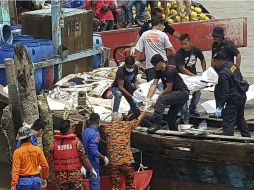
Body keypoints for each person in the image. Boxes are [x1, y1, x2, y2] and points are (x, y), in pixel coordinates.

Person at [145, 54, 190, 133]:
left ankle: (157, 123)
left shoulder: (170, 71)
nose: (154, 67)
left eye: (155, 65)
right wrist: (148, 98)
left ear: (160, 62)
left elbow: (169, 89)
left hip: (182, 93)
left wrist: (158, 97)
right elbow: (154, 84)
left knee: (161, 99)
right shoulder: (158, 71)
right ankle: (175, 133)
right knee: (170, 118)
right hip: (175, 94)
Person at [104, 111, 147, 190]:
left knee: (116, 187)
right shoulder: (126, 125)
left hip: (113, 162)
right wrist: (144, 112)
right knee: (130, 185)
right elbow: (138, 120)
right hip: (126, 161)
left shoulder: (107, 128)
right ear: (121, 118)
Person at [48, 120, 97, 190]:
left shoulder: (53, 143)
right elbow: (84, 157)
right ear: (68, 129)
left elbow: (50, 159)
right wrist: (91, 169)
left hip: (61, 176)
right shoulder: (76, 141)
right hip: (75, 176)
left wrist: (48, 172)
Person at [212, 52, 251, 137]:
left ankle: (228, 142)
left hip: (233, 99)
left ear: (220, 60)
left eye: (215, 61)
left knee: (228, 122)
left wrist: (220, 106)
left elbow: (225, 92)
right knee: (240, 119)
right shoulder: (232, 65)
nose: (214, 63)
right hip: (241, 95)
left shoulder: (223, 74)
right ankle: (247, 137)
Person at [175, 33, 206, 123]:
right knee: (184, 96)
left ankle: (192, 109)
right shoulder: (179, 54)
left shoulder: (196, 50)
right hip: (182, 77)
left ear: (190, 42)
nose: (184, 46)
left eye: (185, 43)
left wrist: (204, 72)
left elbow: (202, 59)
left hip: (193, 75)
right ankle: (184, 117)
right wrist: (194, 76)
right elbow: (182, 68)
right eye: (182, 44)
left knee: (197, 93)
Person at [11, 124, 49, 190]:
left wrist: (13, 185)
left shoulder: (17, 152)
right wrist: (43, 178)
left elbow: (16, 170)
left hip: (23, 182)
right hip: (36, 181)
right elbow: (45, 166)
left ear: (20, 139)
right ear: (30, 137)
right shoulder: (37, 150)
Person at [82, 113, 109, 190]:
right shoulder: (95, 134)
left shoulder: (85, 131)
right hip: (93, 163)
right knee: (95, 185)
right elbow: (93, 151)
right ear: (98, 121)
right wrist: (104, 158)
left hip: (85, 162)